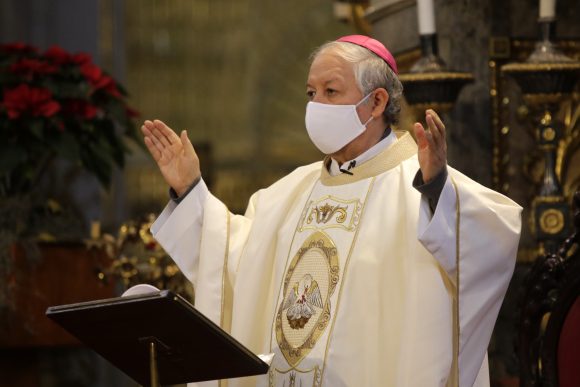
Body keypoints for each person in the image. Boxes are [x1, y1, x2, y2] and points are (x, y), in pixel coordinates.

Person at [141, 35, 522, 387]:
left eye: (330, 91)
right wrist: (189, 189)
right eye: (311, 92)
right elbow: (229, 262)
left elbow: (491, 240)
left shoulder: (423, 184)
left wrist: (438, 188)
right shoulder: (287, 193)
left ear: (376, 102)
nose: (316, 105)